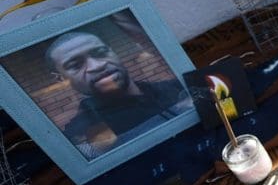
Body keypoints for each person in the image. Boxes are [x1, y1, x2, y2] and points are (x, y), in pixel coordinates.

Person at [46, 31, 191, 159]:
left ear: (114, 52)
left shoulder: (178, 87)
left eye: (101, 53)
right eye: (75, 65)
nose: (97, 66)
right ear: (61, 79)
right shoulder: (79, 135)